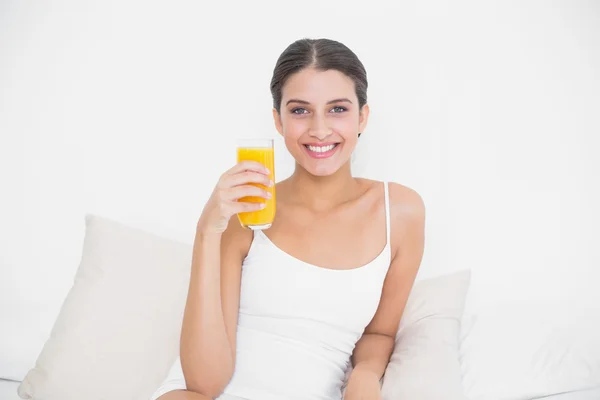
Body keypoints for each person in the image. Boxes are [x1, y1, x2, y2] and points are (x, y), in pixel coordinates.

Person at [150, 38, 426, 400]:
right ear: (278, 121)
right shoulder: (248, 209)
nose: (319, 129)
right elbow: (204, 383)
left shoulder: (400, 212)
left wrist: (364, 377)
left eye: (338, 109)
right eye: (300, 111)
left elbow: (379, 333)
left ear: (363, 117)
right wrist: (207, 231)